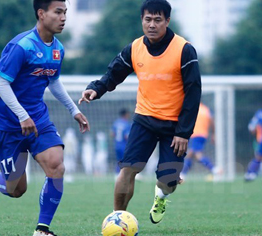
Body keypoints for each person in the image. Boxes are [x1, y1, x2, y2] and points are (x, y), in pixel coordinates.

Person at [79, 0, 201, 224]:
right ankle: (117, 219)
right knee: (128, 169)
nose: (152, 24)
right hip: (144, 119)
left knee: (168, 180)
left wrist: (183, 133)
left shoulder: (184, 50)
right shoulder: (135, 48)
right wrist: (96, 89)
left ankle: (161, 195)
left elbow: (193, 94)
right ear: (142, 20)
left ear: (167, 21)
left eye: (157, 20)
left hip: (174, 126)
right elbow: (114, 73)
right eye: (147, 19)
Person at [0, 1, 90, 235]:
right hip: (8, 123)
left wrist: (74, 110)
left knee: (56, 165)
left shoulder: (58, 49)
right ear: (41, 14)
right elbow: (1, 83)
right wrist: (21, 115)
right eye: (58, 12)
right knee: (16, 189)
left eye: (65, 13)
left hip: (38, 119)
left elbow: (53, 81)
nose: (63, 18)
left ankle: (42, 229)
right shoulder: (22, 46)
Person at [180, 103, 217, 182]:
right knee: (191, 154)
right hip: (203, 135)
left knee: (196, 154)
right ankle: (183, 174)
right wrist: (213, 133)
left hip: (194, 134)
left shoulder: (191, 107)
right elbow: (212, 121)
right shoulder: (206, 109)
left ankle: (214, 169)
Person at [111, 108, 132, 178]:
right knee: (126, 160)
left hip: (117, 145)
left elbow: (112, 134)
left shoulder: (116, 123)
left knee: (119, 160)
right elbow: (126, 136)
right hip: (124, 145)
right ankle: (127, 175)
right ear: (126, 114)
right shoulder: (126, 124)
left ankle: (116, 174)